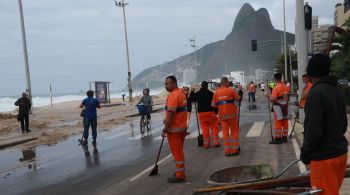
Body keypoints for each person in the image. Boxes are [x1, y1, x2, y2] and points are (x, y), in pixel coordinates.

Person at [300, 54, 348, 195]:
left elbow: (313, 131)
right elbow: (343, 125)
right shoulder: (336, 91)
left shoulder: (316, 93)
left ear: (311, 72)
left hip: (324, 159)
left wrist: (305, 153)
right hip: (340, 154)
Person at [161, 76, 188, 183]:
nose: (165, 86)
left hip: (175, 130)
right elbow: (176, 111)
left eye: (167, 84)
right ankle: (179, 172)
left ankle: (180, 175)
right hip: (182, 129)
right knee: (179, 152)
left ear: (174, 83)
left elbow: (171, 114)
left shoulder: (173, 95)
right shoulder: (181, 93)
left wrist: (164, 130)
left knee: (177, 153)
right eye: (165, 84)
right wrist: (166, 118)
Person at [211, 77, 241, 157]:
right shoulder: (230, 90)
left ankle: (227, 151)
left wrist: (220, 104)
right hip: (232, 115)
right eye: (228, 82)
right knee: (234, 132)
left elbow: (213, 105)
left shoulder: (216, 93)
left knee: (225, 133)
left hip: (222, 116)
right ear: (226, 82)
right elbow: (238, 99)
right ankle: (235, 149)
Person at [189, 81, 220, 148]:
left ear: (201, 86)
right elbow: (215, 103)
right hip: (211, 113)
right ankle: (216, 142)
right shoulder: (211, 94)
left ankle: (206, 144)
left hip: (201, 113)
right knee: (214, 127)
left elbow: (191, 99)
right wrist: (216, 112)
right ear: (207, 86)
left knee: (205, 128)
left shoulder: (197, 94)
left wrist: (192, 92)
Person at [267, 73, 289, 144]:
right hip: (285, 106)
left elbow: (273, 99)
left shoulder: (276, 88)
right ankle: (285, 137)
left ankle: (278, 138)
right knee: (285, 121)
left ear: (275, 79)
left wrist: (268, 96)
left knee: (278, 122)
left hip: (278, 106)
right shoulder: (285, 87)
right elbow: (286, 97)